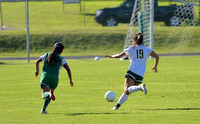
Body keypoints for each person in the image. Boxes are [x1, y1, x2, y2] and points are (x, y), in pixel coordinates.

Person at [105, 32, 159, 110]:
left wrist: (111, 56)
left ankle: (140, 87)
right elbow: (157, 57)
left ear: (134, 40)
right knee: (127, 91)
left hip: (132, 70)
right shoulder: (147, 49)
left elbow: (119, 56)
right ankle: (117, 106)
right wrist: (155, 67)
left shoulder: (131, 48)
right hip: (141, 74)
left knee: (127, 89)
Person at [35, 42, 74, 114]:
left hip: (46, 77)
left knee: (44, 95)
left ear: (53, 48)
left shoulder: (47, 54)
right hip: (55, 79)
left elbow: (37, 61)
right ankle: (43, 110)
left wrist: (37, 71)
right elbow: (68, 69)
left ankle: (49, 94)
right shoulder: (62, 59)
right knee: (49, 94)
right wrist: (70, 80)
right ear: (61, 51)